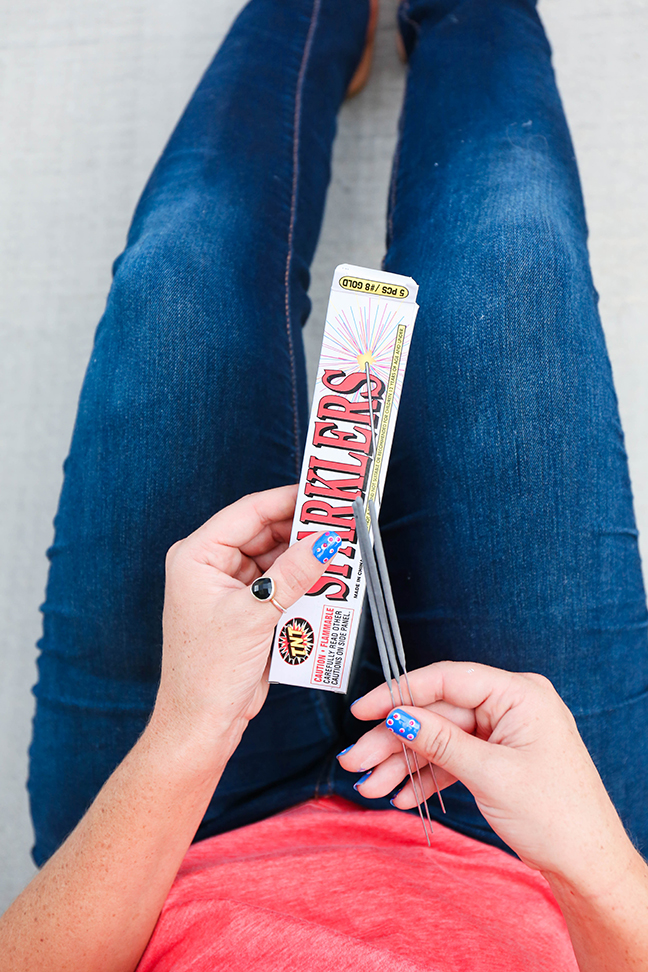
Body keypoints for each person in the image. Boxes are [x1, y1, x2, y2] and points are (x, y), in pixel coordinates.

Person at [1, 0, 647, 968]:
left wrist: (185, 736)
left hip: (170, 841)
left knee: (181, 271)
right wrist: (598, 865)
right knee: (513, 234)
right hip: (525, 859)